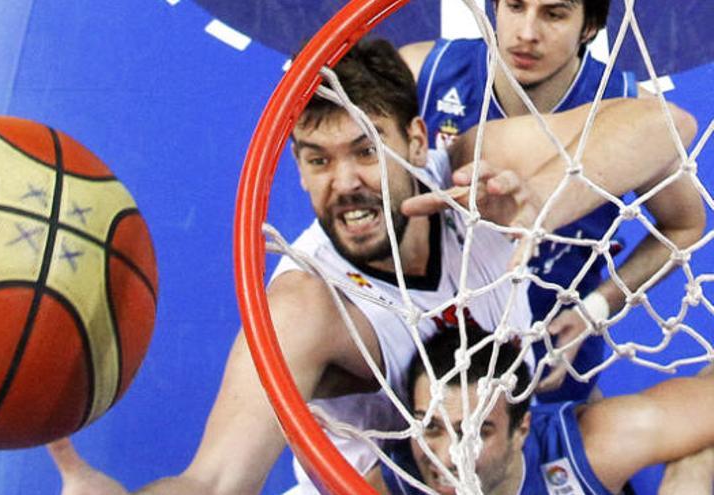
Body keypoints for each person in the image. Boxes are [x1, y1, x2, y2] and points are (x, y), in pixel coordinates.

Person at [49, 38, 698, 495]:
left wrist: (542, 202)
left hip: (501, 452)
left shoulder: (469, 169)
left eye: (365, 149)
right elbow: (213, 480)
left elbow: (665, 124)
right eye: (317, 159)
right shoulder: (309, 306)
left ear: (416, 139)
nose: (345, 183)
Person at [400, 0, 705, 402]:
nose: (527, 32)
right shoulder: (425, 73)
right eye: (515, 6)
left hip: (549, 345)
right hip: (427, 342)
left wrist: (595, 309)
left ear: (589, 28)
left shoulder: (632, 110)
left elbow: (684, 226)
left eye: (553, 14)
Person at [367, 322, 714, 495]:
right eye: (430, 427)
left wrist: (695, 468)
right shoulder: (393, 481)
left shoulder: (590, 449)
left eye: (473, 431)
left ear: (521, 430)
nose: (445, 456)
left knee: (693, 467)